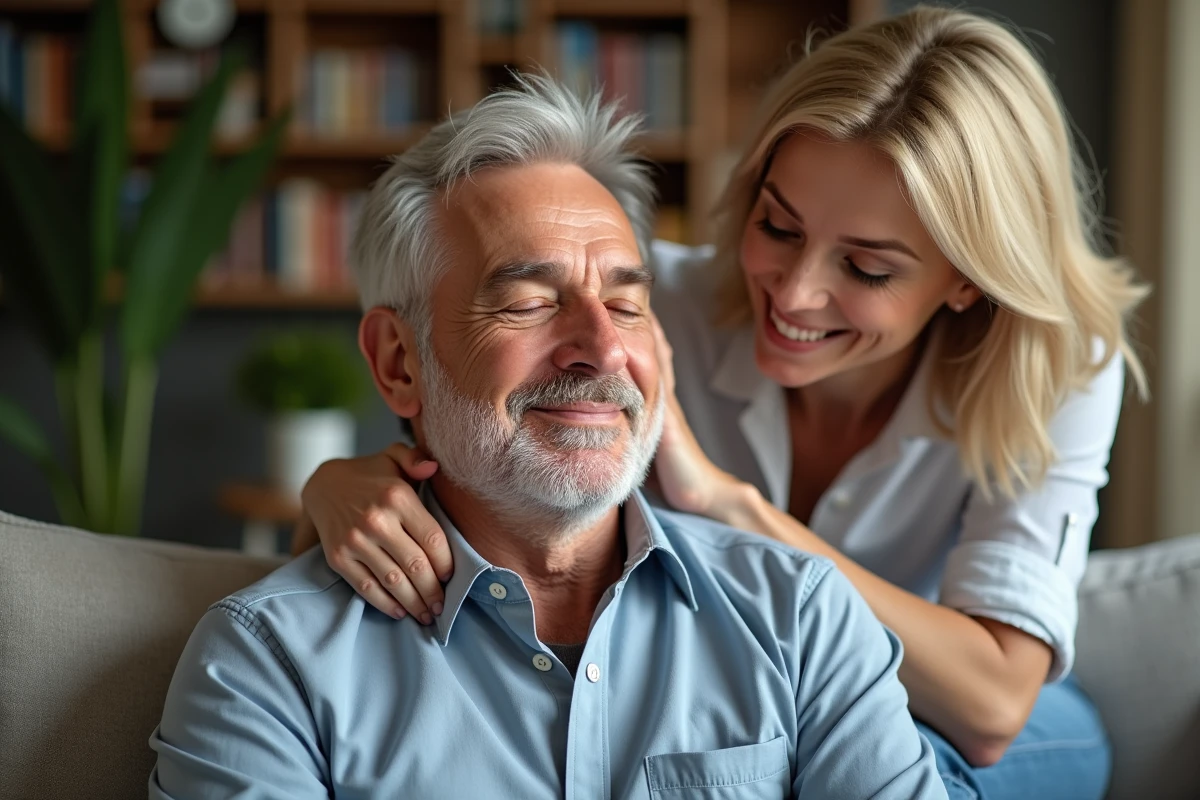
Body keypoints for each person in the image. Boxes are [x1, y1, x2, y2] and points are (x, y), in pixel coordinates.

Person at [291, 6, 1148, 800]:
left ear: (967, 280)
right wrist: (335, 486)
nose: (794, 293)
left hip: (956, 715)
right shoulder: (646, 302)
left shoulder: (1058, 368)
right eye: (778, 227)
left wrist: (720, 500)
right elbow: (463, 419)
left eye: (867, 268)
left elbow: (995, 705)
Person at [149, 76, 946, 799]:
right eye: (530, 303)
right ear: (399, 362)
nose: (601, 349)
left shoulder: (803, 621)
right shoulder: (268, 664)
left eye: (627, 304)